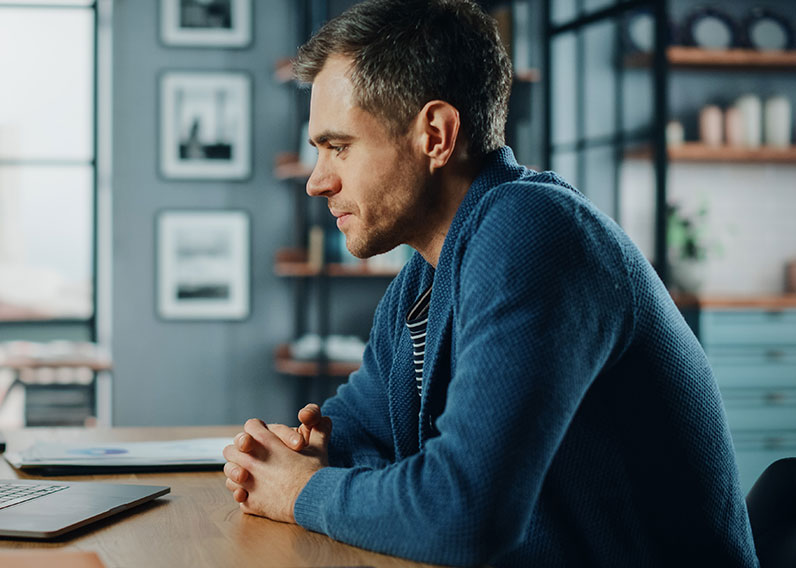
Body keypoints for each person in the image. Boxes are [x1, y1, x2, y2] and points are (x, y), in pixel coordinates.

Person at [221, 1, 758, 566]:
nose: (317, 182)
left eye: (339, 147)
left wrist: (300, 490)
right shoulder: (424, 276)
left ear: (435, 134)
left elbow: (464, 512)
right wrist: (299, 454)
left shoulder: (536, 232)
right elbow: (357, 430)